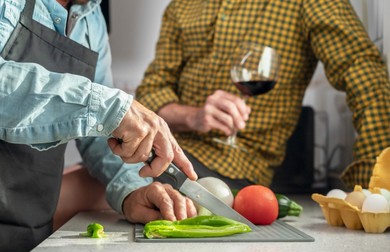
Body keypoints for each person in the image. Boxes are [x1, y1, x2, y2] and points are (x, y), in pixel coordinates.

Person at [0, 0, 197, 252]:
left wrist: (133, 190)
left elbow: (100, 135)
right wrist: (108, 107)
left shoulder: (93, 19)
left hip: (30, 234)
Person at [134, 0, 390, 190]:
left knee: (115, 180)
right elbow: (151, 92)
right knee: (102, 164)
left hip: (235, 167)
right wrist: (194, 116)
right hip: (163, 147)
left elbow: (363, 75)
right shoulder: (182, 6)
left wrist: (376, 182)